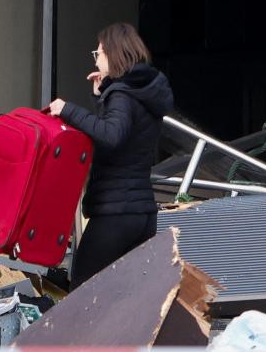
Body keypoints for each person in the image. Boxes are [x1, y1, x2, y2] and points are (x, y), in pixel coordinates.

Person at [49, 22, 174, 289]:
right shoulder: (143, 93)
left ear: (114, 54)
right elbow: (125, 137)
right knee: (125, 298)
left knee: (83, 293)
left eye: (99, 53)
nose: (97, 59)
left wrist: (67, 109)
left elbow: (111, 135)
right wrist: (101, 97)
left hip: (115, 214)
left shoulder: (121, 94)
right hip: (142, 215)